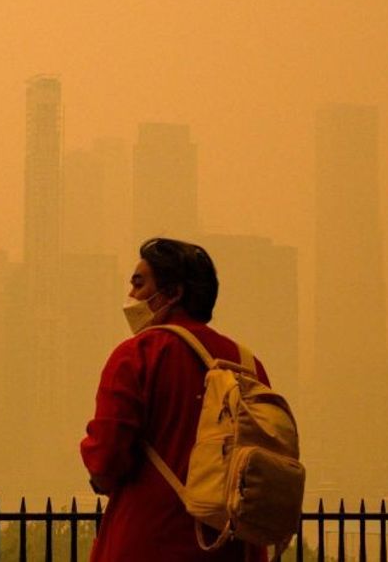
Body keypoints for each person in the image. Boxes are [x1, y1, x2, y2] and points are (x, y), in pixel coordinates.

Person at [80, 238, 270, 561]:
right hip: (234, 548)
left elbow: (106, 459)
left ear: (172, 293)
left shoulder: (137, 356)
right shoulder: (248, 365)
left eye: (139, 284)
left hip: (150, 542)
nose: (132, 296)